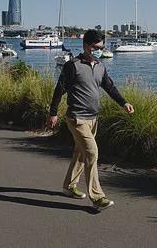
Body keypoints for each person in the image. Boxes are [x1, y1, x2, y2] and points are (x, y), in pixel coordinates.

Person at [47, 29, 133, 211]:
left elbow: (110, 87)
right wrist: (53, 112)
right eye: (95, 47)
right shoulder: (73, 66)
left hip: (93, 119)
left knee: (80, 153)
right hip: (76, 118)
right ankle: (97, 196)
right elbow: (59, 89)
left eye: (101, 47)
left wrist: (123, 103)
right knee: (92, 153)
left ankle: (68, 186)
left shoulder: (101, 66)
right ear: (86, 46)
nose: (98, 50)